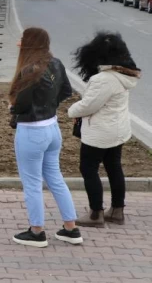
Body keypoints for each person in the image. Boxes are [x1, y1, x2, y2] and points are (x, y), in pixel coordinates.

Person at [9, 27, 82, 247]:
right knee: (55, 178)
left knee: (32, 183)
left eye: (22, 39)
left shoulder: (29, 69)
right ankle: (71, 228)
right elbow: (67, 91)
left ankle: (37, 231)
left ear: (29, 43)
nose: (19, 42)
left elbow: (20, 103)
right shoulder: (56, 63)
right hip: (52, 127)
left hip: (32, 131)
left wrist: (13, 110)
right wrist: (50, 105)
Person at [68, 33, 141, 227]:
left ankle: (95, 214)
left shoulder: (104, 79)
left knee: (88, 168)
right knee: (114, 167)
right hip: (118, 129)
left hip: (100, 132)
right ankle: (117, 211)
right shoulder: (125, 74)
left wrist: (71, 110)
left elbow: (89, 106)